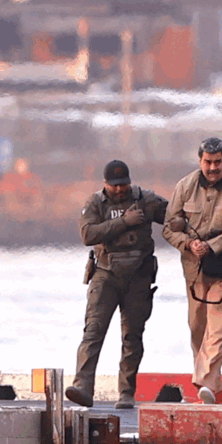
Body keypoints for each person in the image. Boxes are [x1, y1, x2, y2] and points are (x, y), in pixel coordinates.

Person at [65, 160, 168, 409]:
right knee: (93, 331)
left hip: (138, 276)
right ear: (105, 184)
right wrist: (125, 221)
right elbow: (87, 235)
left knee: (132, 336)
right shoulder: (94, 203)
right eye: (115, 186)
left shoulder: (146, 199)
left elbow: (173, 217)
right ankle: (83, 386)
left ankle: (126, 392)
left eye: (124, 185)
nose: (120, 190)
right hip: (106, 274)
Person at [162, 137, 222, 404]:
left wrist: (213, 245)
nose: (212, 167)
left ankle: (202, 380)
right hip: (194, 271)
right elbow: (169, 228)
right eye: (208, 162)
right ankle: (214, 389)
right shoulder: (185, 186)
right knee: (197, 329)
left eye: (217, 162)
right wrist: (189, 244)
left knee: (217, 328)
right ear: (200, 160)